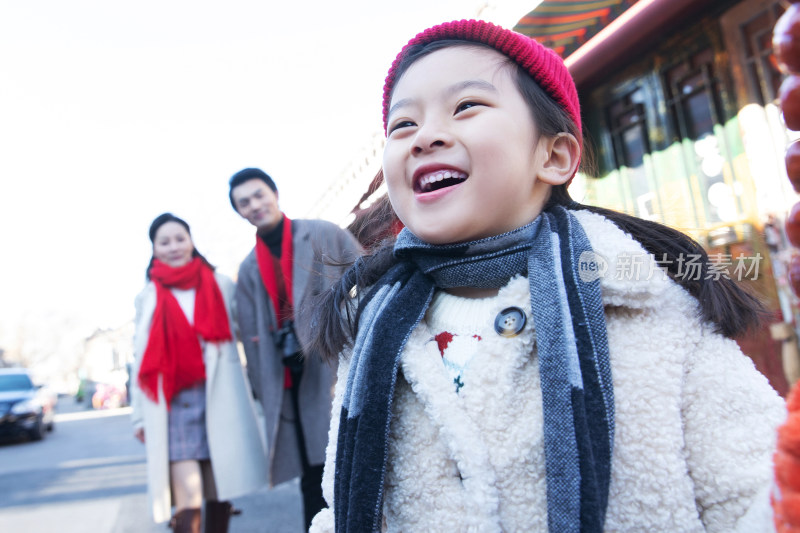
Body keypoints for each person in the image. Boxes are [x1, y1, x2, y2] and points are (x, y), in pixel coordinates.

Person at [307, 19, 787, 533]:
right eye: (403, 125)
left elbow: (755, 495)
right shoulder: (375, 333)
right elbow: (343, 507)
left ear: (554, 155)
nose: (425, 137)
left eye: (466, 106)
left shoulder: (650, 309)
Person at [228, 168, 361, 530]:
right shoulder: (249, 267)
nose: (254, 205)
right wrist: (264, 390)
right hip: (289, 380)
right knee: (312, 475)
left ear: (273, 192)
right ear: (239, 212)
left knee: (351, 461)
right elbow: (249, 336)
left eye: (258, 195)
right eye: (244, 203)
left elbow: (367, 274)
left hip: (332, 363)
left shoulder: (321, 233)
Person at [131, 213, 267, 533]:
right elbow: (140, 360)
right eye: (164, 242)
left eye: (180, 238)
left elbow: (245, 330)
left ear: (191, 241)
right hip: (172, 403)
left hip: (217, 394)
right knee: (187, 495)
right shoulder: (147, 295)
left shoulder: (220, 284)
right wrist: (138, 417)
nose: (174, 247)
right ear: (154, 248)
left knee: (219, 489)